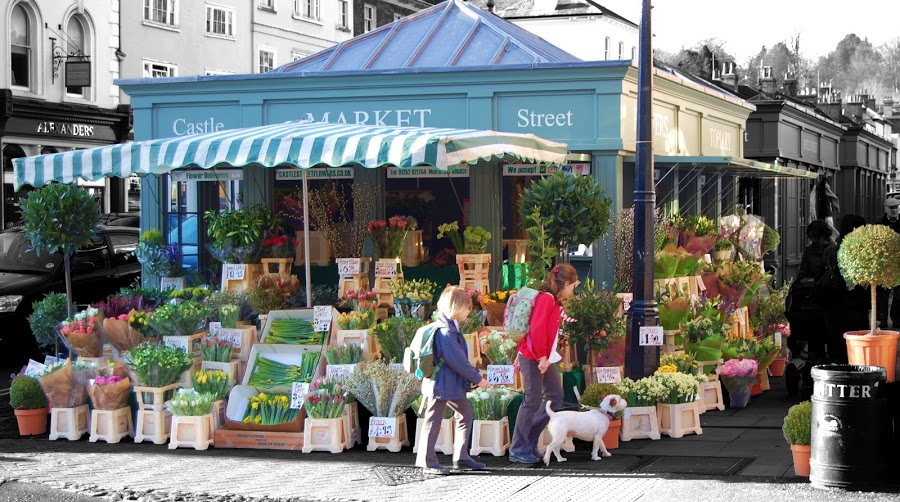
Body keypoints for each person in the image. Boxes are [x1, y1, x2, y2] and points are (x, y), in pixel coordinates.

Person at [508, 263, 582, 464]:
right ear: (565, 283)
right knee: (531, 400)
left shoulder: (552, 301)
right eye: (573, 286)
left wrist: (545, 356)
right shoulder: (546, 300)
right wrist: (542, 357)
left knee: (555, 397)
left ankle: (529, 441)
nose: (573, 290)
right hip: (534, 357)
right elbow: (537, 329)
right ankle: (518, 448)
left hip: (543, 356)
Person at [416, 285, 490, 476]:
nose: (469, 311)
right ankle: (428, 462)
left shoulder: (448, 328)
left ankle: (461, 457)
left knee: (465, 413)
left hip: (446, 384)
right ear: (456, 307)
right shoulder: (446, 332)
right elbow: (458, 362)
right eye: (466, 307)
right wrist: (478, 379)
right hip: (440, 384)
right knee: (433, 421)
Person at [820, 214, 869, 364]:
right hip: (854, 306)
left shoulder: (830, 251)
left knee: (837, 345)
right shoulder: (859, 252)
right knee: (855, 346)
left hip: (832, 305)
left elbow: (820, 275)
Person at [876, 197, 900, 329]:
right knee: (883, 295)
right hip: (884, 263)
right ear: (886, 209)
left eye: (896, 208)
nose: (894, 210)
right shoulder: (879, 223)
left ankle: (896, 318)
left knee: (899, 294)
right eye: (891, 208)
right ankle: (883, 319)